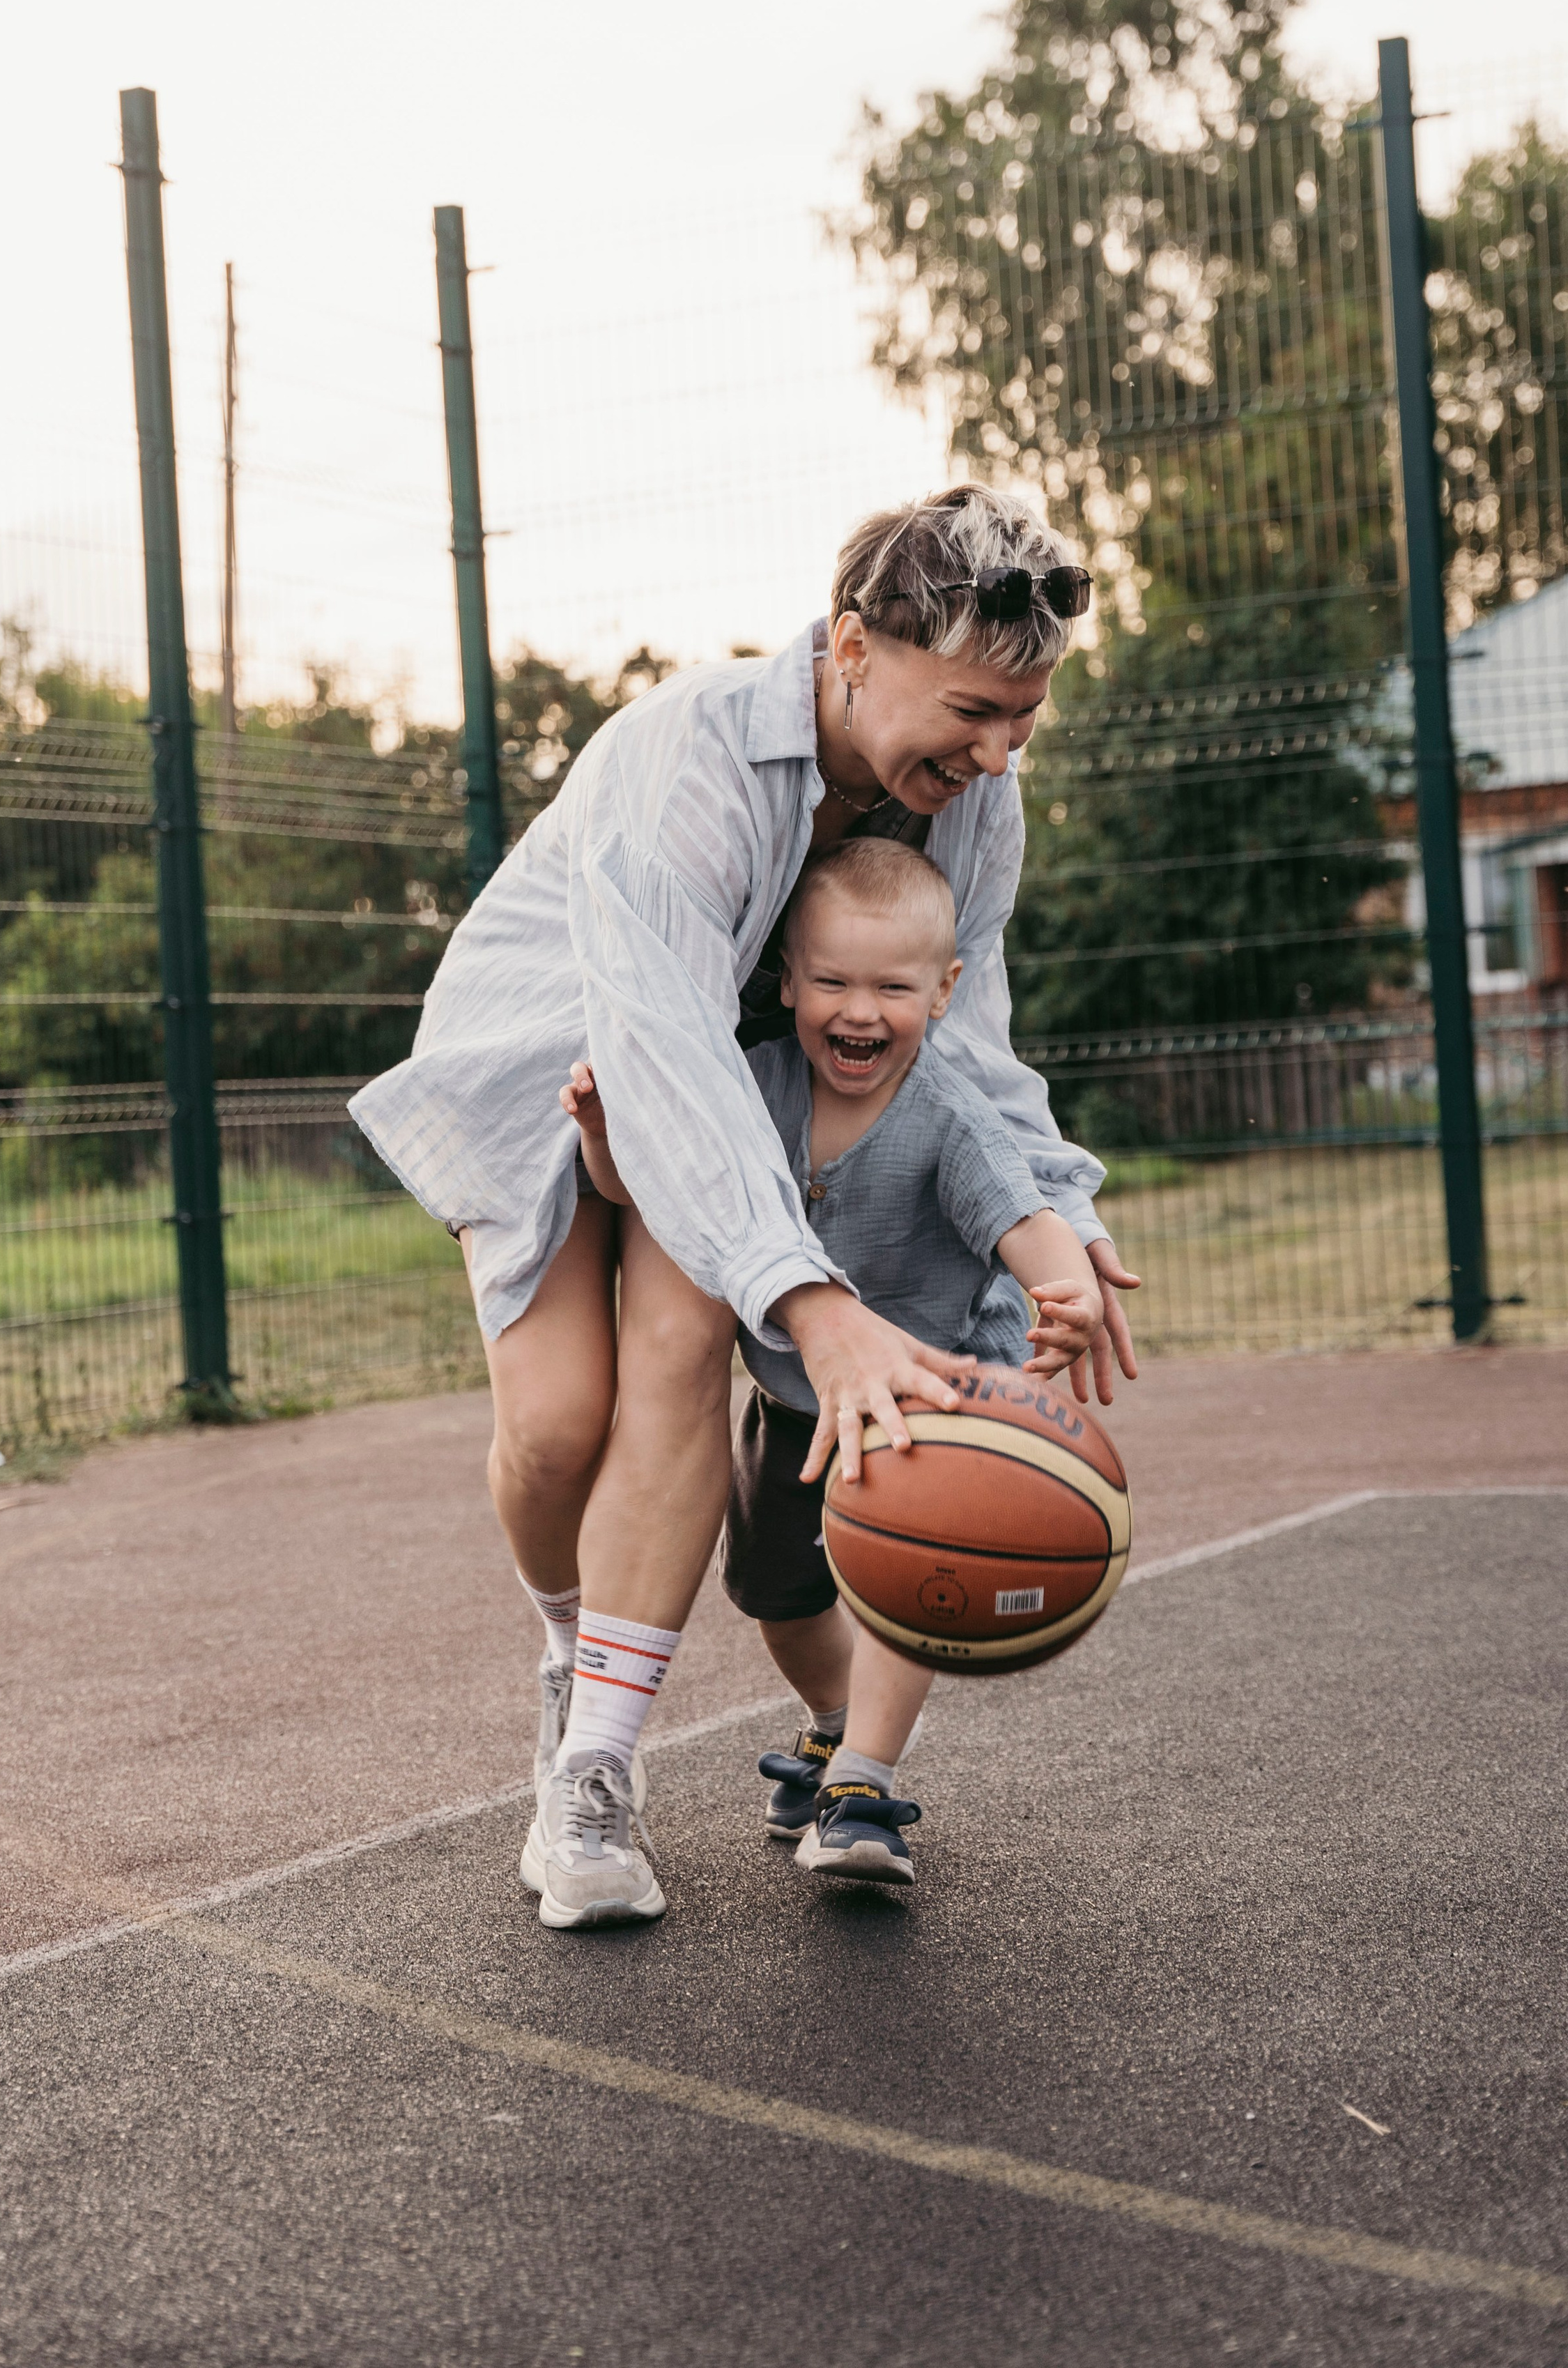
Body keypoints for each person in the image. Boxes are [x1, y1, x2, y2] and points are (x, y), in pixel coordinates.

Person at [349, 484, 1140, 1931]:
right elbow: (652, 1050)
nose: (997, 750)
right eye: (972, 710)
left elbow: (962, 1041)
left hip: (737, 1087)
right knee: (551, 1430)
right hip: (558, 1072)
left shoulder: (972, 805)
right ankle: (568, 1648)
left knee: (671, 1357)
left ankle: (589, 1776)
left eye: (1021, 720)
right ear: (851, 646)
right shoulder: (687, 759)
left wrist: (1054, 1207)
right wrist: (814, 1301)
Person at [564, 834, 1105, 1890]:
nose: (860, 1012)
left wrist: (1067, 1288)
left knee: (911, 1577)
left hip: (927, 1398)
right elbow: (648, 1192)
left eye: (893, 988)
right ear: (786, 982)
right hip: (795, 1392)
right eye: (832, 983)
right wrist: (602, 1137)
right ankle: (828, 1726)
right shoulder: (753, 1088)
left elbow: (1024, 1217)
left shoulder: (950, 1116)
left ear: (944, 992)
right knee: (777, 1592)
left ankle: (863, 1780)